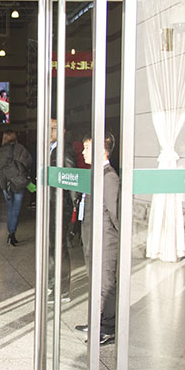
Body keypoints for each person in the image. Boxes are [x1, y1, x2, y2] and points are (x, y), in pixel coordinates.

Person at [75, 132, 119, 346]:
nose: (83, 152)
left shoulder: (109, 177)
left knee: (106, 283)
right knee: (95, 281)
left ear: (101, 150)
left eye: (87, 148)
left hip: (104, 239)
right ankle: (96, 321)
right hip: (92, 236)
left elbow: (115, 214)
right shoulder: (94, 174)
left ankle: (108, 328)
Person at [48, 119, 78, 303]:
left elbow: (72, 179)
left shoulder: (65, 151)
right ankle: (52, 282)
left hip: (61, 206)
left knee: (60, 247)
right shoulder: (50, 149)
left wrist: (74, 208)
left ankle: (63, 290)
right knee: (51, 246)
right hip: (50, 204)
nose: (50, 131)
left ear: (63, 131)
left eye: (53, 128)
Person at [0, 129, 32, 246]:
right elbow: (29, 162)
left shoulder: (0, 151)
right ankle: (12, 234)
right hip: (19, 182)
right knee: (16, 209)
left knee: (10, 208)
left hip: (5, 183)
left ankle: (10, 232)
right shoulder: (21, 148)